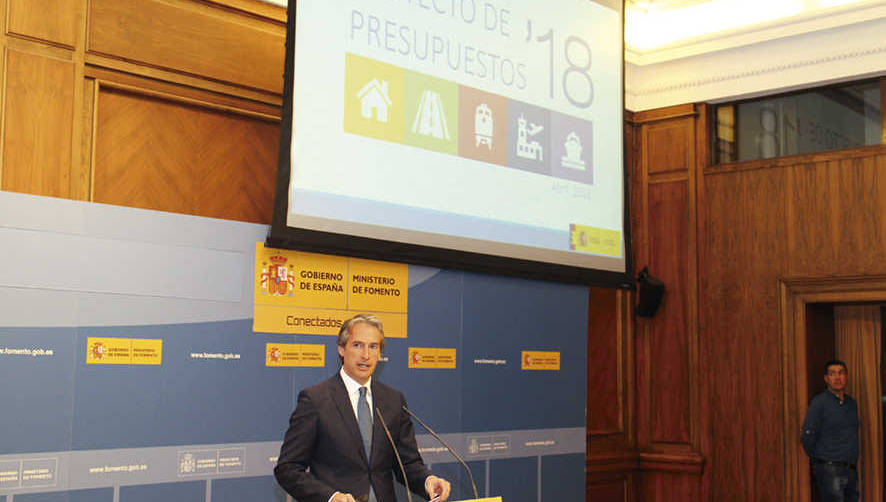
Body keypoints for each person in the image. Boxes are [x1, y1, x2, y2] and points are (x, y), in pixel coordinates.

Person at [275, 314, 451, 502]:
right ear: (341, 349)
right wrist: (331, 497)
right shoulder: (315, 400)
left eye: (373, 347)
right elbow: (288, 469)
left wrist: (427, 480)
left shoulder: (393, 400)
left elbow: (407, 463)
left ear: (380, 354)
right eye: (357, 345)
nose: (365, 355)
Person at [801, 359, 859, 502]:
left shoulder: (851, 403)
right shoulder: (819, 403)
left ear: (847, 376)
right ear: (826, 379)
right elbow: (807, 436)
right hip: (830, 469)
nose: (837, 377)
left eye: (841, 373)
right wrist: (821, 460)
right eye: (832, 374)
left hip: (851, 468)